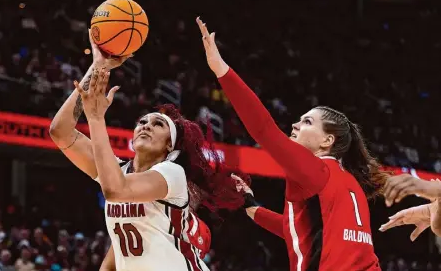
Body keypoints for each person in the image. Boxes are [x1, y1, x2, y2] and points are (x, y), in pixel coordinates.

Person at [197, 17, 389, 271]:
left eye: (307, 122)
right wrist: (253, 208)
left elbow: (264, 129)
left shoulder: (317, 171)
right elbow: (297, 231)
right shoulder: (349, 184)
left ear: (327, 141)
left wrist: (220, 69)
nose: (295, 126)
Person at [49, 29, 246, 271]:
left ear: (169, 145)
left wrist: (96, 119)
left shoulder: (172, 174)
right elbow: (61, 132)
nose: (146, 126)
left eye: (158, 124)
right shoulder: (118, 171)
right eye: (142, 122)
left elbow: (114, 190)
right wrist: (98, 67)